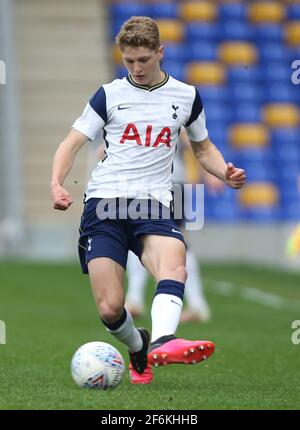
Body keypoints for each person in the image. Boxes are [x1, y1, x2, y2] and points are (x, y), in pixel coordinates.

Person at [50, 16, 246, 385]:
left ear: (160, 52)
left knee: (175, 259)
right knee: (110, 308)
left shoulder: (186, 96)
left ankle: (163, 340)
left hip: (153, 203)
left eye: (144, 60)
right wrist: (56, 183)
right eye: (129, 61)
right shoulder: (108, 95)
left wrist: (224, 172)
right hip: (105, 205)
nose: (137, 69)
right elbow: (70, 143)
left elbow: (203, 149)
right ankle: (139, 345)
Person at [125, 128, 225, 322]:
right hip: (161, 182)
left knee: (140, 234)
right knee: (176, 237)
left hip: (164, 182)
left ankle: (135, 299)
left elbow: (193, 144)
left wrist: (210, 173)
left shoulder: (166, 105)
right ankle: (196, 304)